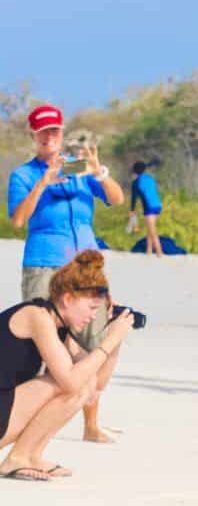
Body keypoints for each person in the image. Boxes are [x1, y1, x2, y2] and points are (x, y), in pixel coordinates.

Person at [10, 104, 126, 442]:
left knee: (97, 340)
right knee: (46, 346)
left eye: (55, 131)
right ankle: (31, 422)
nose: (50, 137)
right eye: (43, 132)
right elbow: (18, 219)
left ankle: (90, 424)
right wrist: (43, 183)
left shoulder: (78, 169)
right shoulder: (23, 174)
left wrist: (98, 172)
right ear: (33, 135)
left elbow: (116, 199)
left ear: (62, 134)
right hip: (44, 263)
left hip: (86, 266)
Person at [1, 251, 139, 481]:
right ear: (67, 299)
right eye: (92, 308)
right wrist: (108, 342)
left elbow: (97, 383)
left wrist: (115, 341)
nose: (93, 317)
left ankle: (31, 455)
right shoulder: (37, 317)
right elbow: (71, 381)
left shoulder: (60, 328)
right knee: (73, 381)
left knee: (85, 382)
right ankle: (19, 457)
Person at [127, 160, 165, 255]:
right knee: (150, 229)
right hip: (158, 206)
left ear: (134, 171)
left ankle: (160, 253)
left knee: (153, 232)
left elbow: (134, 198)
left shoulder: (136, 182)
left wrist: (132, 211)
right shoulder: (150, 178)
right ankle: (149, 250)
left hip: (149, 208)